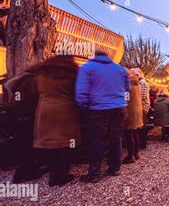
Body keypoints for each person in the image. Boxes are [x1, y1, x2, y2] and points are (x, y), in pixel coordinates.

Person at [75, 50, 130, 183]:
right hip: (119, 108)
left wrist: (84, 107)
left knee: (97, 141)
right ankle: (114, 168)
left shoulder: (87, 67)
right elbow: (128, 90)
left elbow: (81, 91)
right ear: (108, 57)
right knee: (116, 139)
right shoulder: (120, 69)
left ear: (95, 56)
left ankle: (94, 173)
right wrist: (124, 103)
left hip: (98, 109)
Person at [31, 56, 81, 186]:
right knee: (67, 144)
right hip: (66, 112)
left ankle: (53, 176)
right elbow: (78, 93)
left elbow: (34, 92)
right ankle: (63, 174)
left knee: (51, 144)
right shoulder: (72, 75)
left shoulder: (41, 74)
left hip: (44, 112)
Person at [123, 69, 144, 164]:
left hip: (130, 110)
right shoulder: (138, 83)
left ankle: (130, 156)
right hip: (138, 110)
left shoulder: (129, 83)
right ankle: (136, 153)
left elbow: (126, 98)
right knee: (134, 132)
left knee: (129, 134)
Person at [131, 68, 150, 150]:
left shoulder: (143, 83)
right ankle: (140, 143)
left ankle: (143, 144)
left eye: (133, 75)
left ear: (138, 75)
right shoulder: (139, 83)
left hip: (142, 107)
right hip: (140, 106)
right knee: (140, 126)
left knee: (142, 126)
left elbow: (141, 97)